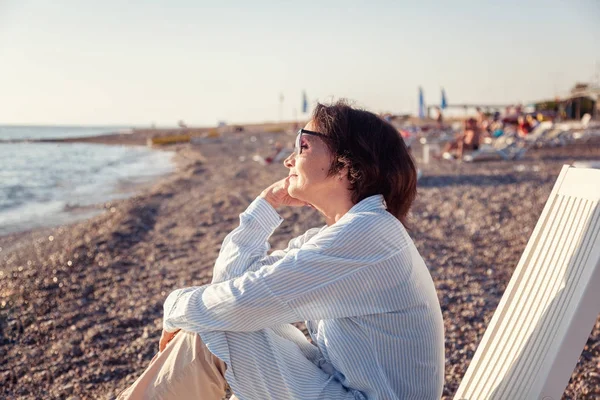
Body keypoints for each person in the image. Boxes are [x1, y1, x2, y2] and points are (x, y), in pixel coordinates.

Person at [118, 101, 445, 400]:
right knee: (220, 322)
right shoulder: (343, 235)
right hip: (347, 388)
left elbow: (238, 305)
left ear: (346, 165)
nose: (289, 160)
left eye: (302, 145)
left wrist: (174, 304)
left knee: (221, 328)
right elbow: (229, 288)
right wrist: (266, 204)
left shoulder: (370, 234)